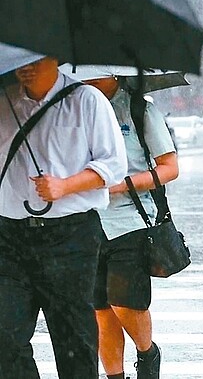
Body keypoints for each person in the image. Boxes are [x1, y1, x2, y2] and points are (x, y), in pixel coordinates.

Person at [0, 57, 127, 377]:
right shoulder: (4, 101)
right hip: (9, 234)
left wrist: (65, 185)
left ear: (56, 56)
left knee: (73, 336)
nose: (24, 66)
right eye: (19, 57)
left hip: (70, 235)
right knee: (6, 336)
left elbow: (113, 166)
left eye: (34, 57)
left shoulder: (87, 100)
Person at [82, 73, 179, 379]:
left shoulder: (141, 111)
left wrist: (121, 185)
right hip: (84, 222)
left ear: (112, 72)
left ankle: (147, 352)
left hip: (130, 220)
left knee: (124, 302)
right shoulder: (75, 113)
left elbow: (169, 169)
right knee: (100, 309)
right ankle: (114, 376)